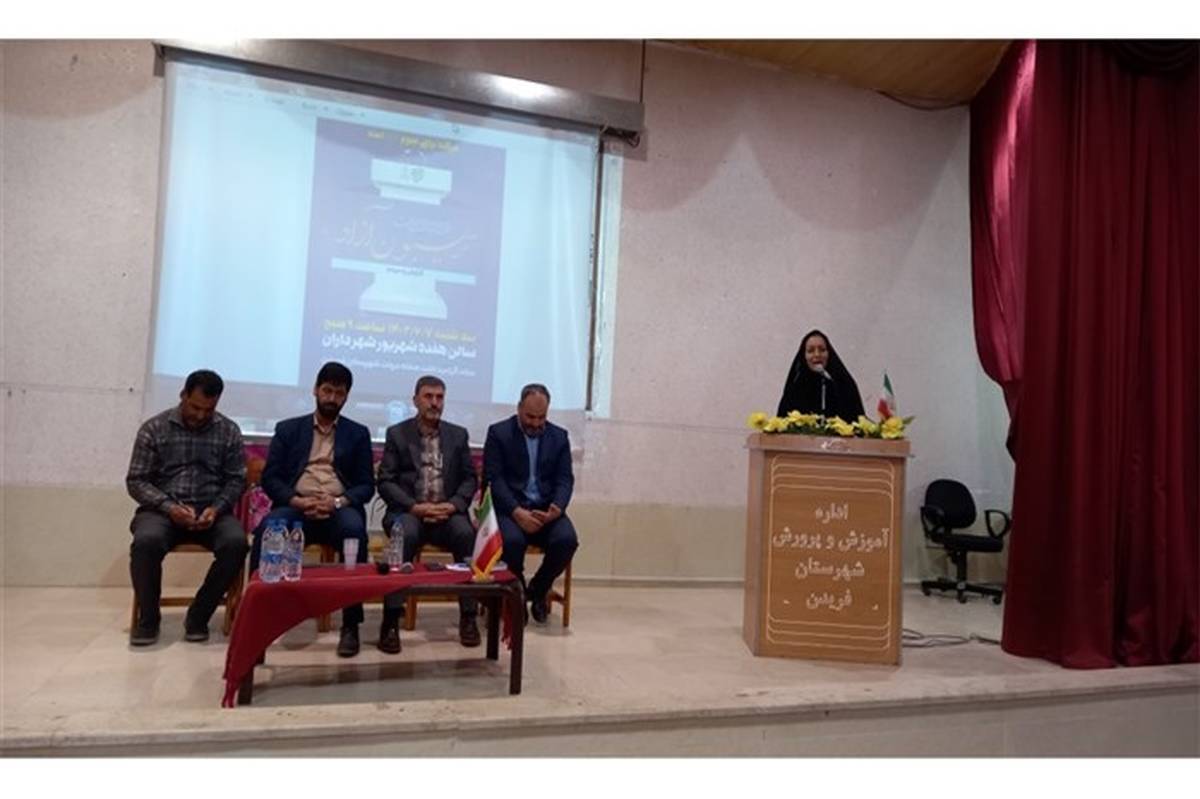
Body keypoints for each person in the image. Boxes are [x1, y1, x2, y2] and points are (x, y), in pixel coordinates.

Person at [253, 361, 374, 658]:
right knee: (269, 529)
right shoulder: (288, 429)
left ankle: (350, 624)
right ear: (315, 390)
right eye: (327, 391)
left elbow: (365, 486)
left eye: (339, 393)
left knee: (355, 532)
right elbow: (271, 478)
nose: (332, 398)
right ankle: (257, 618)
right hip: (296, 506)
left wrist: (336, 502)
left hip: (337, 508)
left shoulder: (358, 433)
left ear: (346, 396)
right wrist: (296, 500)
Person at [126, 369, 248, 646]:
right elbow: (136, 481)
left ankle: (198, 616)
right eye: (195, 407)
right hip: (162, 511)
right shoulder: (154, 429)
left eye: (209, 409)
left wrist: (216, 508)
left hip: (211, 511)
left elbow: (236, 480)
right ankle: (148, 620)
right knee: (146, 541)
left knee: (236, 543)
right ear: (183, 395)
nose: (201, 415)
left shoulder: (228, 431)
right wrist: (169, 507)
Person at [376, 375, 480, 653]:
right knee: (405, 534)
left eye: (439, 397)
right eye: (428, 396)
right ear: (415, 401)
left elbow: (469, 479)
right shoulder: (398, 434)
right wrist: (414, 506)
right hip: (410, 511)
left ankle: (469, 617)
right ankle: (390, 621)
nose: (435, 403)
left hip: (447, 513)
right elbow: (385, 481)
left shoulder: (458, 435)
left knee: (466, 534)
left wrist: (454, 505)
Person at [483, 384, 578, 624]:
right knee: (512, 542)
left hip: (545, 511)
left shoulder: (559, 437)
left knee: (567, 540)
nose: (536, 423)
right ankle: (516, 594)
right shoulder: (499, 433)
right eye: (530, 417)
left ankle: (537, 589)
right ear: (518, 409)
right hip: (510, 509)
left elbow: (565, 479)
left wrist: (557, 507)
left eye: (541, 417)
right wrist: (517, 512)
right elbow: (494, 479)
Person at [776, 329, 866, 422]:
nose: (817, 354)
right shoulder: (794, 389)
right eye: (810, 351)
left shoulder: (844, 386)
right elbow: (783, 423)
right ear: (804, 356)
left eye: (822, 350)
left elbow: (857, 421)